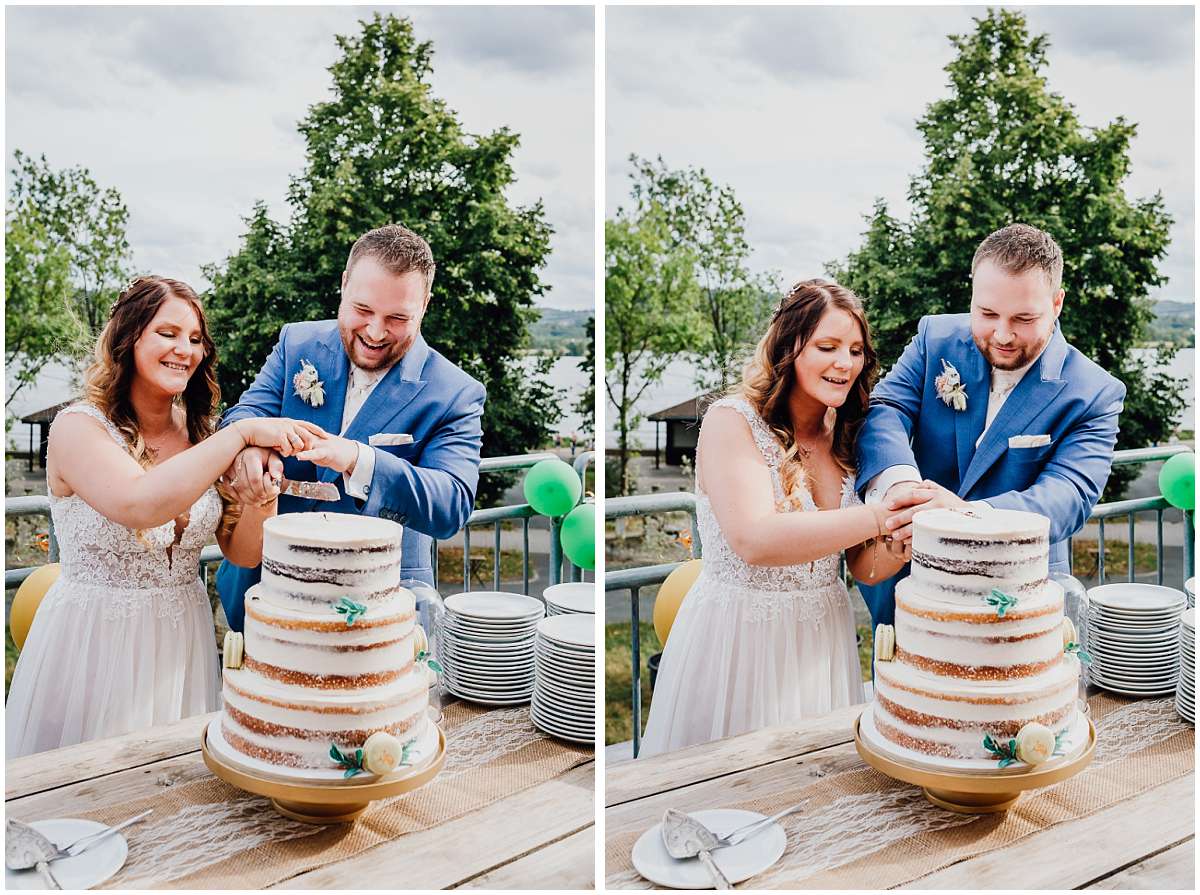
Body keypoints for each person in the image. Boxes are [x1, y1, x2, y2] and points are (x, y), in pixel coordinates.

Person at [6, 277, 324, 757]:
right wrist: (240, 436)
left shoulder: (201, 435)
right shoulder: (78, 427)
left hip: (182, 640)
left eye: (195, 339)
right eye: (169, 333)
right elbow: (140, 504)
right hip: (93, 642)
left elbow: (244, 551)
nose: (185, 350)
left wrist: (262, 494)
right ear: (129, 336)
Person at [639, 280, 909, 757]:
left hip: (820, 641)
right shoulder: (732, 421)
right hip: (737, 639)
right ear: (789, 347)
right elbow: (755, 539)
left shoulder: (847, 431)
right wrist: (878, 516)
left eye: (855, 350)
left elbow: (861, 568)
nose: (845, 363)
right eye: (827, 347)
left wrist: (899, 536)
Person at [215, 223, 486, 632]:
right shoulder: (296, 344)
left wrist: (359, 459)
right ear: (344, 284)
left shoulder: (455, 393)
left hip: (377, 609)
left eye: (397, 318)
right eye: (363, 310)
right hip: (263, 590)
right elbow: (242, 415)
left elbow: (451, 505)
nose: (376, 332)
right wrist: (251, 448)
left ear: (425, 305)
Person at [855, 223, 1126, 629]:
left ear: (1057, 303)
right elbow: (885, 408)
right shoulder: (935, 337)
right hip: (906, 579)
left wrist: (966, 516)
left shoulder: (1094, 392)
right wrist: (900, 486)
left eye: (1023, 318)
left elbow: (1067, 496)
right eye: (987, 313)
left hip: (1013, 594)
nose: (1002, 334)